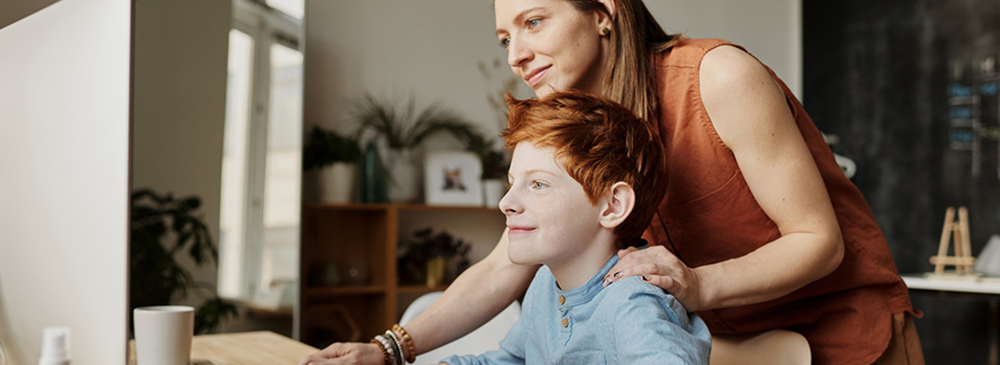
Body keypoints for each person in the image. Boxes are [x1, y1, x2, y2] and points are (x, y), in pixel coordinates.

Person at [301, 0, 923, 364]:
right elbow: (502, 267)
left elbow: (820, 241)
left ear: (603, 14)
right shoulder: (589, 128)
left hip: (845, 336)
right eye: (504, 36)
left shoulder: (719, 77)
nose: (515, 53)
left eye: (533, 22)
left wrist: (699, 283)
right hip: (728, 343)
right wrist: (389, 350)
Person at [445, 91, 710, 365]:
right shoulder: (545, 283)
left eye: (538, 184)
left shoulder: (633, 304)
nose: (506, 203)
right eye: (512, 184)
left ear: (613, 206)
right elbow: (513, 360)